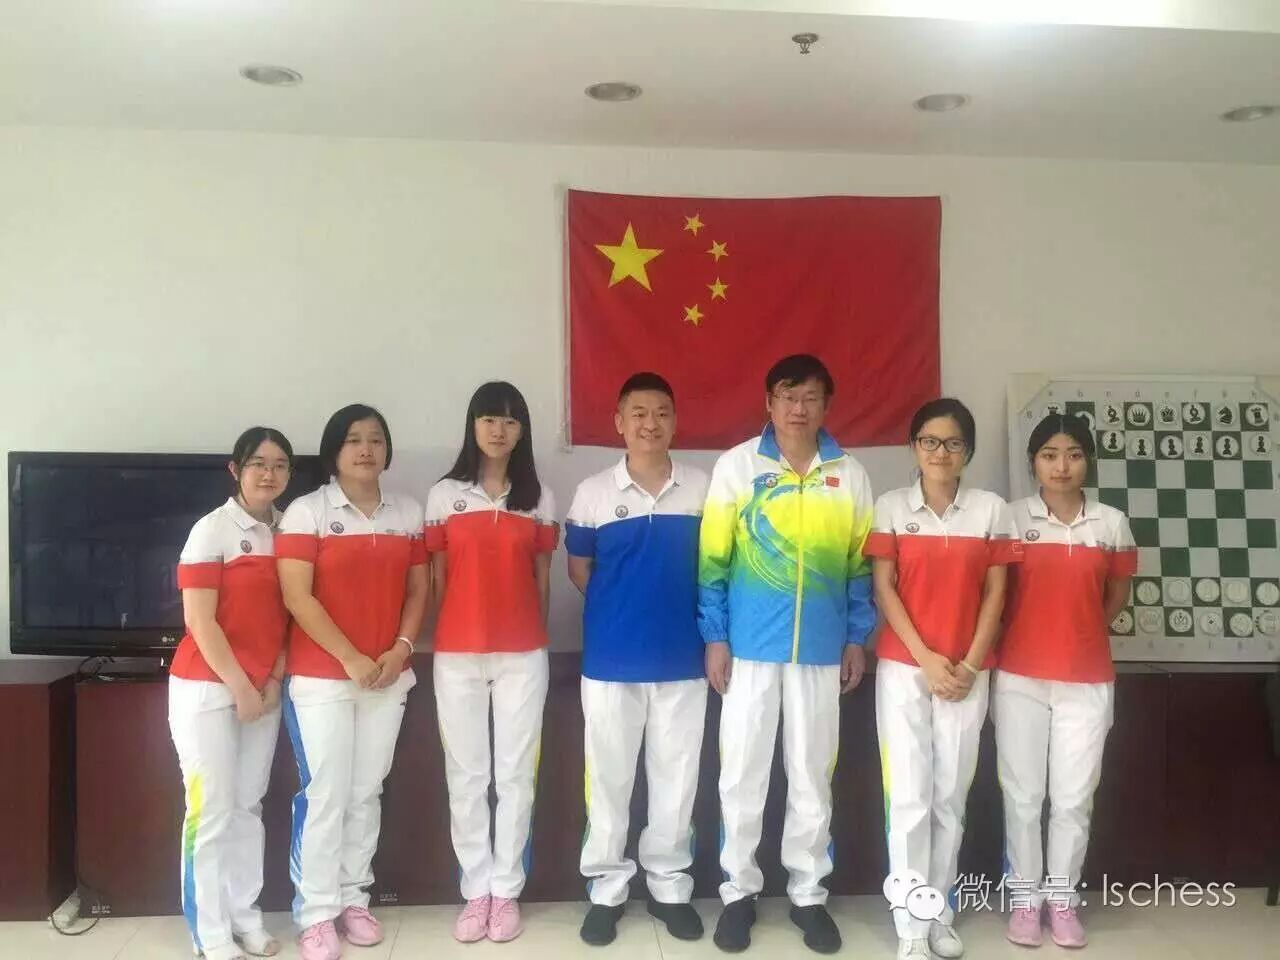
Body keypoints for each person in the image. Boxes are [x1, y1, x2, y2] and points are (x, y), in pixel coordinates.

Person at [698, 354, 875, 955]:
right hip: (749, 649)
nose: (799, 409)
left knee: (811, 775)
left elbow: (860, 567)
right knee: (741, 774)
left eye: (811, 398)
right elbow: (713, 560)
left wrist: (856, 637)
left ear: (827, 405)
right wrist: (716, 635)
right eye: (788, 396)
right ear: (769, 403)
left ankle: (808, 894)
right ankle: (737, 893)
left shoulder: (848, 474)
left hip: (821, 651)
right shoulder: (738, 466)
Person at [865, 398, 1022, 960]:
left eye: (953, 443)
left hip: (967, 673)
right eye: (929, 441)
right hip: (906, 669)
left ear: (968, 452)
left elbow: (997, 593)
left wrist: (971, 665)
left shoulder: (991, 510)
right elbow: (884, 589)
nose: (940, 452)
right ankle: (911, 928)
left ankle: (938, 915)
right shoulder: (890, 506)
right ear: (914, 447)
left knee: (949, 798)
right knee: (908, 798)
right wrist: (926, 660)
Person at [276, 404, 429, 960]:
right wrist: (350, 658)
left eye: (376, 439)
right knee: (327, 793)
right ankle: (315, 912)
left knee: (366, 791)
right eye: (354, 440)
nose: (366, 449)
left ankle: (353, 898)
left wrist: (400, 649)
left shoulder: (407, 512)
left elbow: (418, 590)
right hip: (323, 679)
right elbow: (298, 597)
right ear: (334, 451)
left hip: (388, 676)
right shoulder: (307, 512)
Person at [566, 373, 710, 946]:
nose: (651, 423)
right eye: (639, 413)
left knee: (677, 778)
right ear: (619, 422)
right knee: (608, 777)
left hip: (684, 660)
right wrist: (623, 610)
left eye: (662, 413)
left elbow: (715, 569)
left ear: (675, 421)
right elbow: (580, 571)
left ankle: (669, 886)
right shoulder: (593, 492)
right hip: (611, 661)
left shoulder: (703, 488)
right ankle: (606, 888)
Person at [995, 414, 1136, 949]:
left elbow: (1117, 594)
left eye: (1073, 454)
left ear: (1088, 461)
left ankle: (1062, 900)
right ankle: (1025, 901)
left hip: (1087, 678)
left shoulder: (1111, 523)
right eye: (1050, 454)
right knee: (1023, 796)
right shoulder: (1010, 519)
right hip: (1020, 677)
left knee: (1074, 798)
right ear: (1033, 461)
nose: (1061, 466)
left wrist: (1082, 634)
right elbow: (995, 594)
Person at [426, 381, 559, 944]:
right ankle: (475, 890)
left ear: (522, 430)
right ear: (473, 425)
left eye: (510, 420)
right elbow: (437, 578)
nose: (498, 430)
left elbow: (543, 580)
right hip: (456, 655)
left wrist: (532, 636)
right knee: (467, 776)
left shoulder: (539, 497)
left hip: (522, 655)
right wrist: (448, 633)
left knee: (515, 775)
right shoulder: (444, 495)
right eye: (489, 419)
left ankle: (506, 891)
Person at [169, 427, 294, 960]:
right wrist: (241, 686)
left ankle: (245, 917)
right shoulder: (211, 530)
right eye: (259, 463)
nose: (269, 474)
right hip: (207, 688)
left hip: (263, 689)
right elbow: (199, 621)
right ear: (236, 470)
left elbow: (290, 617)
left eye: (280, 465)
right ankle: (210, 932)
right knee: (211, 811)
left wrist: (272, 679)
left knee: (247, 807)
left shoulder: (290, 530)